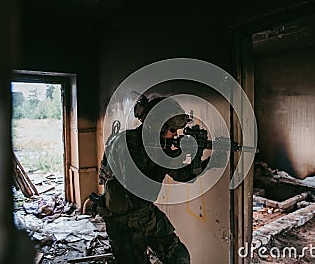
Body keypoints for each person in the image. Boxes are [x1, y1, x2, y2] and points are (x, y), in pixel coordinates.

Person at [95, 95, 222, 264]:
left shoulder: (159, 147)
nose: (175, 134)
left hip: (144, 214)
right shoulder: (124, 143)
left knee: (179, 257)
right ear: (156, 127)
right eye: (172, 130)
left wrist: (205, 159)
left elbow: (184, 176)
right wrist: (174, 155)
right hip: (122, 221)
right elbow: (137, 187)